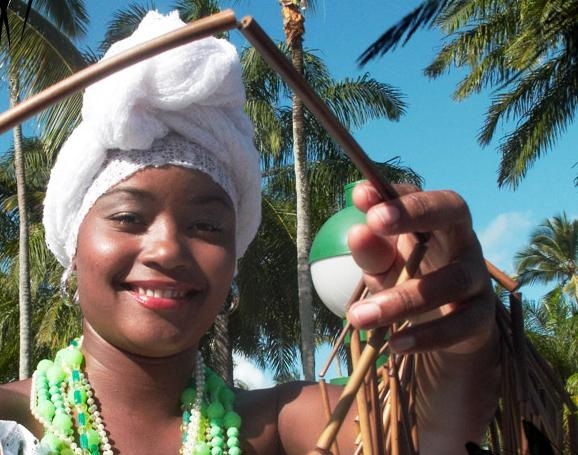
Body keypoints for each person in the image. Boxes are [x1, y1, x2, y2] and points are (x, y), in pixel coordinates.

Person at [0, 10, 500, 455]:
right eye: (129, 217)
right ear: (73, 248)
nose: (169, 247)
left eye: (207, 225)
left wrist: (457, 342)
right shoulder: (11, 419)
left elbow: (425, 432)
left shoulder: (276, 425)